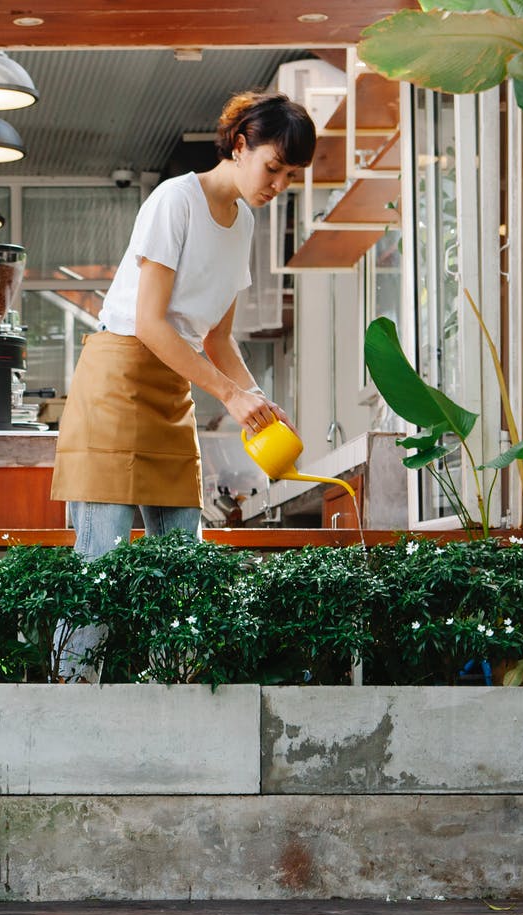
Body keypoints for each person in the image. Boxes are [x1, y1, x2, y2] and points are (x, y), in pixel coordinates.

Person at [49, 89, 313, 677]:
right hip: (117, 380)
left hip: (173, 389)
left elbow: (216, 340)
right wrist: (229, 393)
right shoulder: (176, 200)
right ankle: (68, 707)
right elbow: (149, 322)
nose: (278, 186)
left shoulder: (242, 222)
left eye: (289, 177)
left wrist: (258, 399)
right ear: (240, 144)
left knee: (182, 577)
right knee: (100, 571)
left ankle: (171, 707)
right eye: (274, 167)